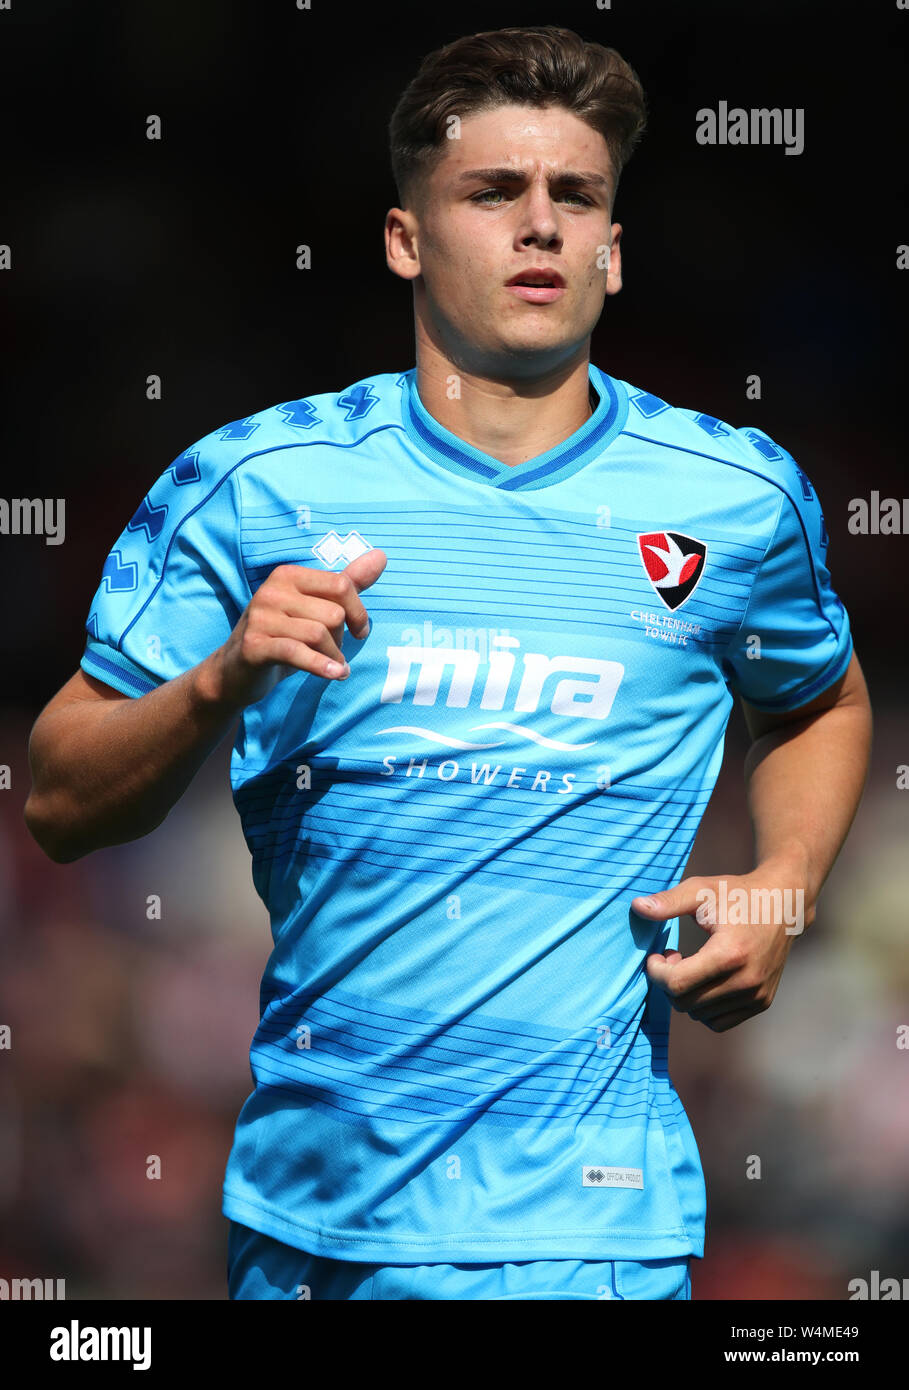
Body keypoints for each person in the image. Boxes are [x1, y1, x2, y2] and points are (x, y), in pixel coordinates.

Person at [24, 26, 872, 1301]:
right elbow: (56, 801)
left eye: (574, 197)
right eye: (493, 193)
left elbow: (821, 702)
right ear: (405, 239)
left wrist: (784, 881)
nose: (540, 226)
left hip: (594, 1235)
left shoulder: (737, 499)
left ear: (613, 250)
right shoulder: (257, 485)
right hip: (317, 1225)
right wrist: (219, 681)